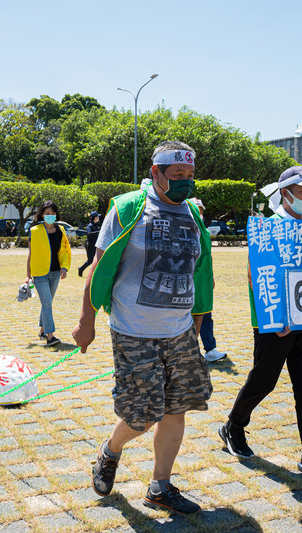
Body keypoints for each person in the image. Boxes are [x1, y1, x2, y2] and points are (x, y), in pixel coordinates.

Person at [73, 141, 213, 515]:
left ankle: (159, 487)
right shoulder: (128, 208)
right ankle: (110, 450)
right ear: (156, 173)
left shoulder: (193, 215)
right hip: (133, 329)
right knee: (141, 414)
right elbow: (99, 268)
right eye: (176, 175)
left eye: (189, 175)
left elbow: (199, 274)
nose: (184, 182)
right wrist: (86, 321)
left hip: (180, 331)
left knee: (176, 409)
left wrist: (196, 327)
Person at [220, 166, 302, 479]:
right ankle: (233, 427)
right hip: (275, 323)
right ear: (285, 193)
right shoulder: (268, 227)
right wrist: (275, 315)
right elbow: (255, 277)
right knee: (264, 380)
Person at [25, 200, 71, 347]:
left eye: (52, 214)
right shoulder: (34, 231)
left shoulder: (60, 231)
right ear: (41, 215)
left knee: (47, 303)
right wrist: (28, 275)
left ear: (56, 215)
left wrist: (65, 267)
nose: (50, 216)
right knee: (46, 303)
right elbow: (30, 254)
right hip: (39, 273)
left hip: (56, 273)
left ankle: (42, 331)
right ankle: (50, 336)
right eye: (47, 214)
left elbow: (63, 252)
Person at [192, 198, 227, 362]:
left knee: (206, 314)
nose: (199, 212)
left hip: (203, 279)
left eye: (201, 209)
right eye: (196, 209)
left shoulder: (204, 231)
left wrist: (210, 276)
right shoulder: (187, 230)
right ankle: (189, 351)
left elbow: (208, 257)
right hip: (192, 279)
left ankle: (210, 349)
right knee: (192, 316)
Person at [78, 211, 101, 277]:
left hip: (95, 245)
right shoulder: (90, 226)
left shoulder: (96, 225)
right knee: (90, 260)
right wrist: (97, 232)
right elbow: (89, 233)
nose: (98, 218)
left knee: (98, 259)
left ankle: (95, 274)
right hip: (90, 246)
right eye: (97, 217)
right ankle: (81, 268)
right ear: (94, 218)